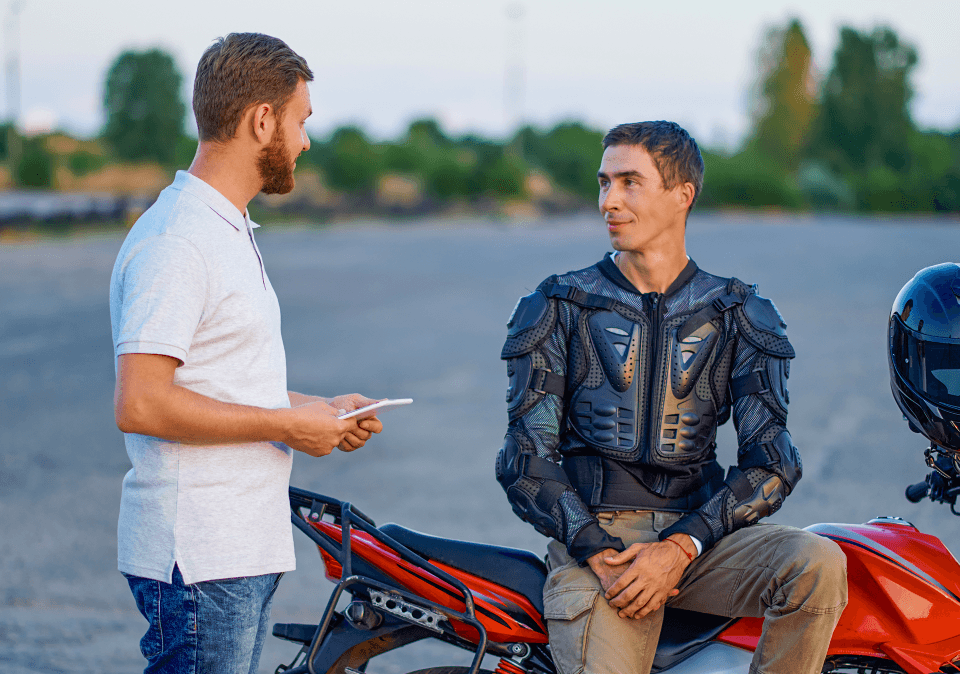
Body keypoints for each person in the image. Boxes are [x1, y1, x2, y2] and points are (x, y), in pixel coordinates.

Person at [495, 121, 847, 673]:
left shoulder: (739, 313)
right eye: (604, 181)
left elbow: (774, 464)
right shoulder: (559, 305)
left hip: (699, 539)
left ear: (682, 195)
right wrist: (599, 554)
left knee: (818, 561)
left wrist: (681, 547)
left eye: (629, 181)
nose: (608, 200)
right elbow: (525, 462)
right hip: (597, 545)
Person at [109, 33, 383, 673]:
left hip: (236, 550)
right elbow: (141, 402)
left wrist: (319, 411)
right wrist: (289, 426)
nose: (307, 141)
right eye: (301, 120)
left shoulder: (222, 229)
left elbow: (220, 383)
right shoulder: (179, 242)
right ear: (263, 121)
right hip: (200, 555)